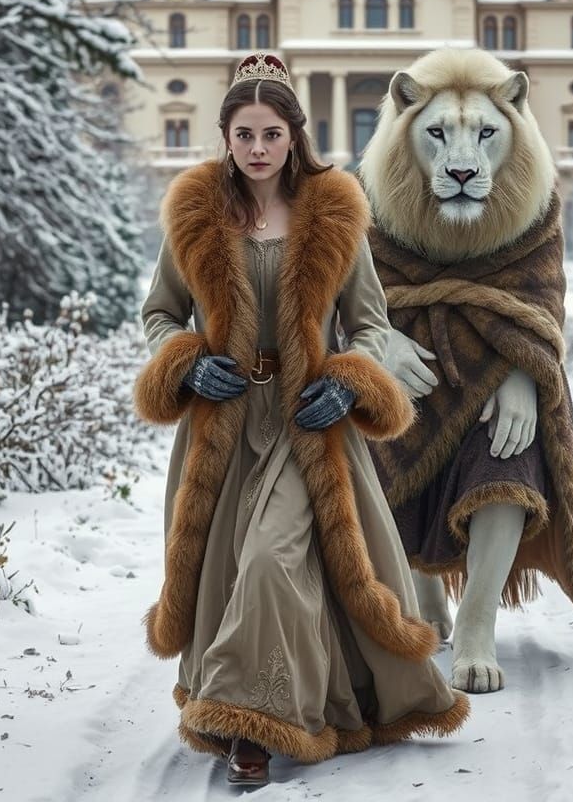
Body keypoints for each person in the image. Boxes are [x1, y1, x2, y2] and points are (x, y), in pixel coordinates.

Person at [134, 52, 468, 786]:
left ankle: (248, 726)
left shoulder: (335, 212)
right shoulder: (195, 213)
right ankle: (293, 703)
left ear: (295, 136)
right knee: (231, 570)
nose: (258, 147)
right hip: (222, 424)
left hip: (308, 422)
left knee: (272, 562)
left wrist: (350, 382)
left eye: (272, 133)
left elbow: (372, 326)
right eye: (245, 133)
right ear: (226, 136)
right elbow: (159, 313)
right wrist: (185, 361)